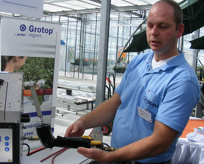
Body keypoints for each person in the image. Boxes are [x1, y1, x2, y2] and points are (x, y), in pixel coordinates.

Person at [65, 0, 201, 163]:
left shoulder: (182, 80)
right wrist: (83, 122)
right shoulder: (139, 62)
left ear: (179, 30)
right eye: (150, 25)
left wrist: (110, 157)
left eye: (162, 26)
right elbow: (115, 103)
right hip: (116, 156)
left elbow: (160, 142)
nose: (153, 32)